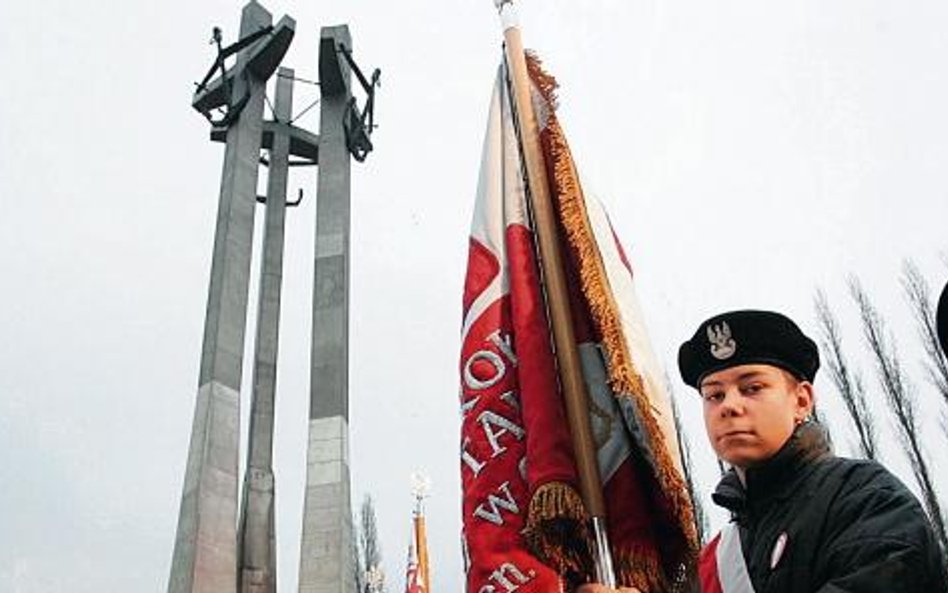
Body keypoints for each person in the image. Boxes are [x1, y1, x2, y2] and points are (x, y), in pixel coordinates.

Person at [580, 309, 946, 593]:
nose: (729, 406)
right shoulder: (712, 562)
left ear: (801, 400)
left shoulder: (865, 498)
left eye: (752, 388)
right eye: (714, 395)